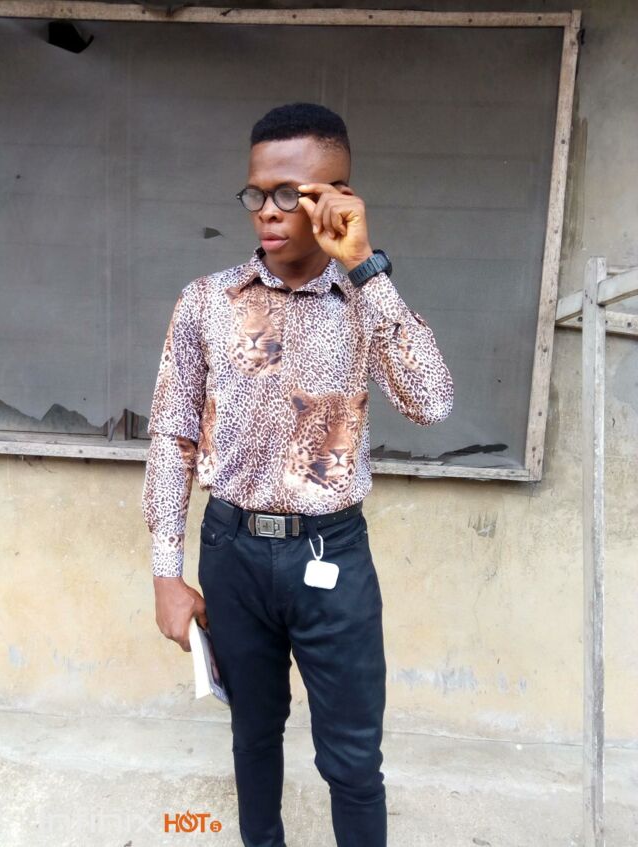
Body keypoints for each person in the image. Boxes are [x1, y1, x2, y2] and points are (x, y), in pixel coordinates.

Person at [141, 102, 453, 847]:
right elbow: (171, 436)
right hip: (233, 553)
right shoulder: (206, 302)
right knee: (253, 738)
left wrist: (367, 267)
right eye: (257, 192)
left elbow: (432, 402)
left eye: (291, 193)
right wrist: (166, 571)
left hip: (332, 558)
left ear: (337, 198)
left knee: (353, 760)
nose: (268, 211)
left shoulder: (362, 302)